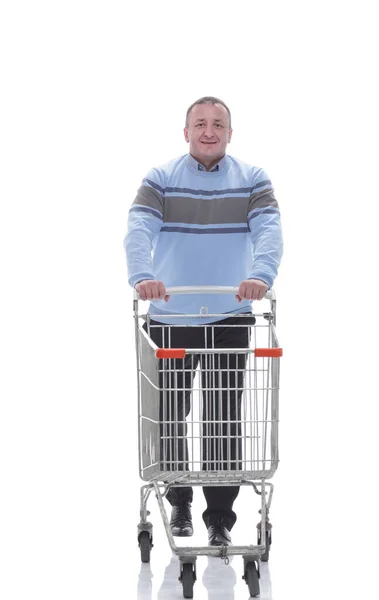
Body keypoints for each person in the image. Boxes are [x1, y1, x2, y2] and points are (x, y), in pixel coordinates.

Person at [124, 96, 283, 546]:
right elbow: (138, 228)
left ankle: (219, 516)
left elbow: (270, 230)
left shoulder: (253, 179)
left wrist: (260, 275)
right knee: (171, 414)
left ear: (230, 133)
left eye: (218, 124)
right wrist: (143, 277)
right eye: (200, 124)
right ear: (186, 132)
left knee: (223, 417)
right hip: (170, 316)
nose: (209, 131)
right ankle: (179, 503)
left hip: (229, 315)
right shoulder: (160, 179)